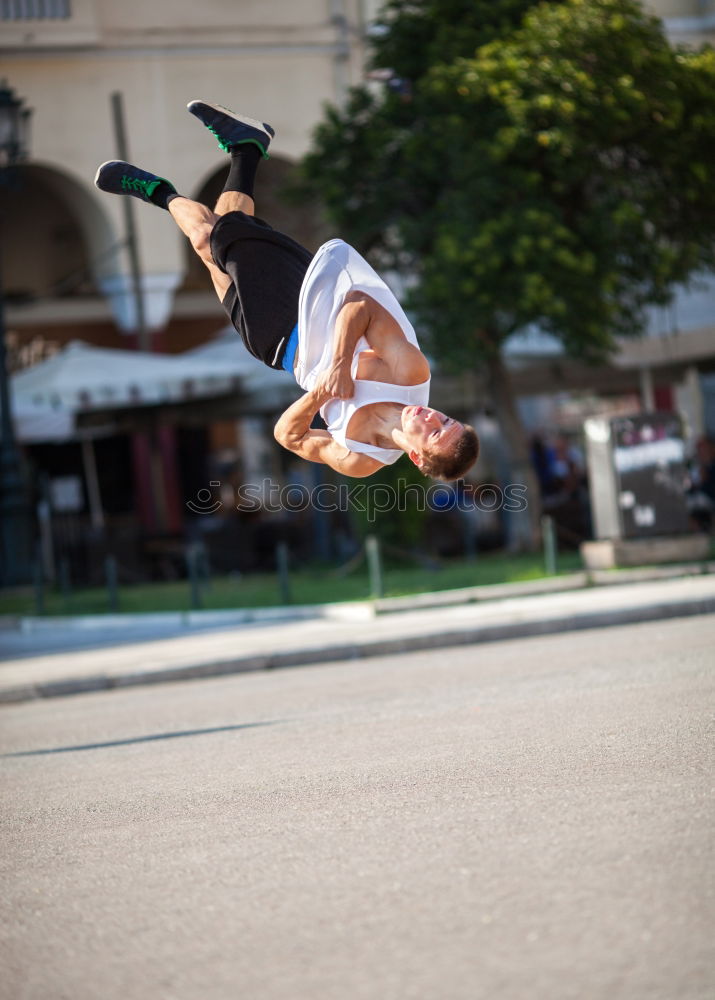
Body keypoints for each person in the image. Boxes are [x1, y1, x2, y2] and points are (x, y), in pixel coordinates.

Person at [95, 101, 479, 480]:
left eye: (434, 432)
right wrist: (340, 365)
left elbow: (287, 435)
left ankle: (246, 148)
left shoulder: (361, 457)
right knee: (210, 236)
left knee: (215, 248)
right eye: (445, 419)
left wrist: (321, 394)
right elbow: (360, 305)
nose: (431, 416)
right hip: (306, 303)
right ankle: (159, 190)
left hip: (275, 350)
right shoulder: (409, 375)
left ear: (416, 455)